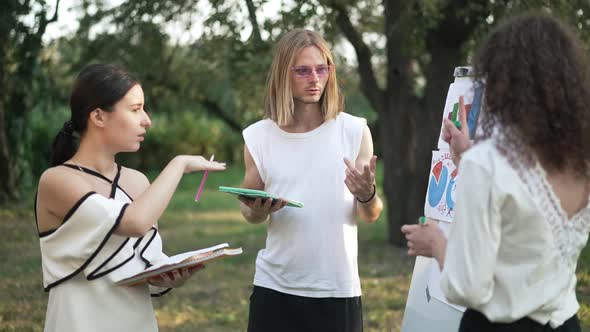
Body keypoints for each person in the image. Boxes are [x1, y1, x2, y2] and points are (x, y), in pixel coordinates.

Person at [401, 13, 590, 332]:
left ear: (503, 83)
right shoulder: (580, 157)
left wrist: (435, 244)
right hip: (565, 323)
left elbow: (468, 287)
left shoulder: (488, 164)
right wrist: (465, 157)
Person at [35, 63, 226, 332]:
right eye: (136, 109)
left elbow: (145, 260)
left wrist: (168, 274)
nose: (147, 119)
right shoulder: (57, 180)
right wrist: (179, 164)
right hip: (79, 321)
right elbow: (134, 222)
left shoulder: (137, 181)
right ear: (99, 116)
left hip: (135, 319)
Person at [238, 29, 384, 332]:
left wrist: (367, 195)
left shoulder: (354, 131)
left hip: (336, 288)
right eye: (303, 70)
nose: (315, 78)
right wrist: (259, 210)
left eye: (322, 68)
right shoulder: (258, 136)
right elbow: (250, 212)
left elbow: (370, 215)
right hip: (274, 287)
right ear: (283, 75)